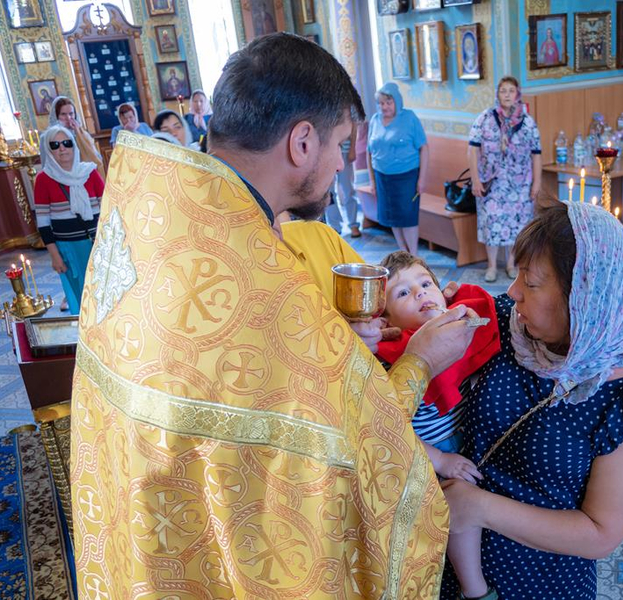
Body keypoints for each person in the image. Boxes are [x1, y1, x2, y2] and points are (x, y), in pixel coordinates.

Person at [70, 32, 478, 598]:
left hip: (144, 528)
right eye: (341, 142)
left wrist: (333, 344)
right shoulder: (256, 274)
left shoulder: (160, 214)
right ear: (302, 141)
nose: (343, 161)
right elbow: (350, 437)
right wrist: (419, 361)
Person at [439, 202, 623, 599]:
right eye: (518, 275)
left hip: (540, 582)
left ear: (583, 296)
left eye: (532, 283)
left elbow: (600, 533)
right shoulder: (508, 326)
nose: (513, 291)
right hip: (445, 562)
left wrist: (480, 508)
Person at [375, 251, 500, 600]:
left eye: (425, 283)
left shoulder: (456, 326)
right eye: (402, 293)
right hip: (425, 456)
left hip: (465, 440)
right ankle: (473, 588)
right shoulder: (390, 360)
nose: (419, 293)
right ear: (385, 318)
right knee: (459, 512)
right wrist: (442, 461)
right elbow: (394, 429)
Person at [468, 76, 542, 282]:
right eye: (503, 91)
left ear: (517, 94)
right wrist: (475, 179)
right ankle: (491, 266)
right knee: (491, 223)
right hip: (491, 182)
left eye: (511, 90)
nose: (507, 95)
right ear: (497, 94)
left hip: (520, 184)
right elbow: (472, 149)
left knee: (516, 225)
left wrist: (537, 182)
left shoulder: (527, 122)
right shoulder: (485, 118)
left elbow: (536, 153)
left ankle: (511, 264)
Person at [33, 125, 102, 315]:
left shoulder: (90, 173)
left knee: (105, 292)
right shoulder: (44, 179)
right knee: (83, 297)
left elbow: (108, 208)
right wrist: (55, 256)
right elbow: (43, 223)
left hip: (97, 244)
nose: (62, 148)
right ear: (49, 150)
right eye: (55, 145)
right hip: (69, 249)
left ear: (74, 145)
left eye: (67, 143)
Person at [367, 82, 428, 255]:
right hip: (382, 177)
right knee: (392, 216)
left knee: (407, 217)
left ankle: (413, 255)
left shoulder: (409, 118)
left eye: (388, 102)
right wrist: (372, 180)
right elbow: (369, 152)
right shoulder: (375, 120)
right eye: (380, 103)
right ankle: (403, 251)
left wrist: (422, 179)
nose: (384, 106)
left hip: (407, 176)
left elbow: (424, 148)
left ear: (397, 101)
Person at [49, 96, 104, 178]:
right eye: (63, 114)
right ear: (56, 116)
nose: (68, 118)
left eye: (71, 113)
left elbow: (94, 158)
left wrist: (78, 132)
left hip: (86, 174)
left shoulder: (82, 132)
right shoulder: (52, 136)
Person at [325, 122, 361, 237]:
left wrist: (352, 149)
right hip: (326, 153)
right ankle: (335, 226)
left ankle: (353, 224)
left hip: (345, 151)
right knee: (328, 192)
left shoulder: (348, 105)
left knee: (348, 189)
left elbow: (353, 125)